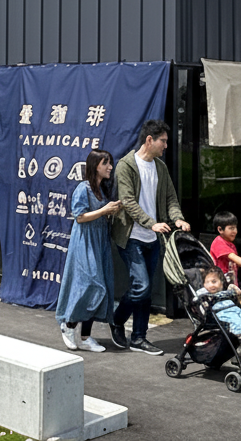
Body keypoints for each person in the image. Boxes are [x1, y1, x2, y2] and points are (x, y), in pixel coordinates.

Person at [110, 119, 190, 355]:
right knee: (142, 286)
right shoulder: (126, 165)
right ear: (149, 140)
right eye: (162, 141)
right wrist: (151, 223)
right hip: (131, 237)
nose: (165, 145)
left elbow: (171, 199)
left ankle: (139, 337)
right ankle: (117, 320)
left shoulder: (160, 168)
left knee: (143, 289)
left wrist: (177, 218)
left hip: (153, 239)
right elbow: (128, 202)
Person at [55, 149, 122, 352]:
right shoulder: (82, 188)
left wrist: (112, 211)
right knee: (89, 285)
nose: (110, 167)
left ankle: (85, 337)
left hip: (100, 241)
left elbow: (99, 214)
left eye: (110, 163)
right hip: (85, 241)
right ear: (95, 166)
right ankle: (68, 326)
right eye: (105, 163)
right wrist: (104, 210)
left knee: (101, 288)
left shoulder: (101, 189)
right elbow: (80, 216)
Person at [196, 267, 241, 351]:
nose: (211, 285)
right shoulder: (206, 295)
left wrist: (233, 287)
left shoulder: (226, 291)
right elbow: (198, 296)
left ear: (222, 283)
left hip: (236, 310)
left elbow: (238, 292)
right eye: (207, 282)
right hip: (222, 313)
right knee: (235, 320)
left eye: (214, 282)